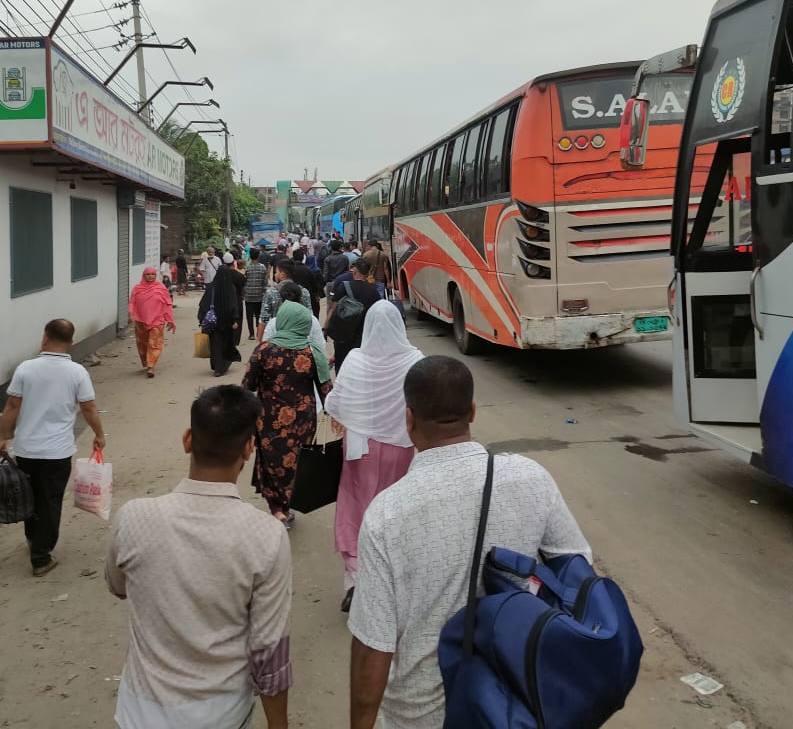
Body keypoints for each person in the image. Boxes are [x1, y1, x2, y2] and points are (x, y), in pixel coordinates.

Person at [348, 356, 590, 729]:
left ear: (409, 420)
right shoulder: (530, 478)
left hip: (421, 715)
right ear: (472, 412)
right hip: (516, 702)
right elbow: (578, 569)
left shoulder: (386, 515)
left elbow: (373, 645)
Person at [106, 386, 293, 729]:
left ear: (188, 440)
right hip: (221, 714)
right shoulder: (267, 536)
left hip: (139, 712)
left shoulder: (133, 517)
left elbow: (118, 587)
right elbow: (268, 650)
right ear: (249, 449)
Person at [325, 302, 423, 612]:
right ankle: (393, 581)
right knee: (394, 509)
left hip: (359, 446)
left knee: (357, 506)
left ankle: (356, 581)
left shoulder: (355, 360)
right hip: (400, 444)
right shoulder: (415, 360)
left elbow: (337, 402)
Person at [0, 319, 106, 577]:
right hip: (57, 452)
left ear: (44, 337)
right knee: (49, 501)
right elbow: (88, 407)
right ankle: (41, 557)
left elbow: (11, 406)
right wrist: (99, 434)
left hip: (26, 450)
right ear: (71, 342)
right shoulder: (77, 372)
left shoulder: (25, 369)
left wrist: (1, 437)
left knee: (30, 497)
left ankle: (35, 541)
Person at [243, 301, 332, 527]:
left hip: (268, 420)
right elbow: (326, 391)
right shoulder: (313, 352)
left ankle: (277, 509)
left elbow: (247, 386)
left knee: (272, 463)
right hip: (303, 421)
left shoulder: (263, 350)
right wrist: (335, 415)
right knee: (295, 462)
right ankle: (288, 506)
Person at [325, 259, 381, 373]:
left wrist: (326, 328)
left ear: (354, 272)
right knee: (362, 366)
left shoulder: (344, 286)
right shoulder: (373, 290)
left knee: (342, 363)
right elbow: (378, 312)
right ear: (367, 273)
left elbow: (333, 308)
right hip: (364, 336)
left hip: (343, 334)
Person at [199, 252, 246, 377]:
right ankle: (222, 365)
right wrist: (235, 320)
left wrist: (202, 319)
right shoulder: (230, 289)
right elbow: (233, 305)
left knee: (215, 344)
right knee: (225, 342)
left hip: (213, 323)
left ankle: (217, 366)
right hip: (226, 323)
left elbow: (203, 304)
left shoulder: (211, 288)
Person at [128, 267, 176, 378]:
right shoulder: (137, 288)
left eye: (153, 274)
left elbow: (167, 304)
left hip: (157, 320)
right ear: (143, 276)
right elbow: (132, 302)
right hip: (141, 320)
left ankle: (151, 365)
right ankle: (147, 362)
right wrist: (131, 314)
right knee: (143, 343)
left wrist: (169, 319)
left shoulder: (161, 288)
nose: (150, 276)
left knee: (154, 343)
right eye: (148, 274)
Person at [262, 282, 325, 351]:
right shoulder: (312, 320)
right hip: (305, 360)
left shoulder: (274, 322)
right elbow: (320, 346)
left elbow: (265, 346)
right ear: (300, 298)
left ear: (281, 299)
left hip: (279, 360)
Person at [243, 247, 269, 341]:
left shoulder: (247, 267)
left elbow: (244, 281)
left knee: (249, 316)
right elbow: (265, 282)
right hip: (259, 296)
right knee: (258, 315)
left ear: (250, 256)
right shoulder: (263, 267)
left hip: (249, 295)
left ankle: (251, 334)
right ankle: (259, 332)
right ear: (258, 256)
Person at [290, 248, 322, 318]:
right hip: (307, 297)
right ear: (302, 258)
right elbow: (314, 286)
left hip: (291, 297)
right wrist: (316, 295)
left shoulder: (289, 270)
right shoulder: (309, 270)